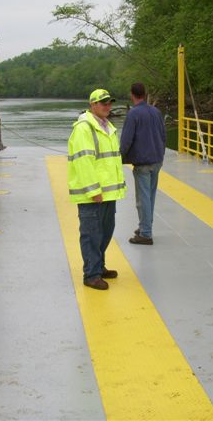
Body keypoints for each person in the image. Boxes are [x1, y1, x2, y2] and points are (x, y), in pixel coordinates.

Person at [67, 89, 127, 290]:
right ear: (92, 105)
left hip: (109, 193)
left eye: (109, 102)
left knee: (105, 232)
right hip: (93, 195)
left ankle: (99, 267)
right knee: (92, 234)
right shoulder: (84, 128)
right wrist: (94, 191)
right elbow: (85, 162)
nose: (107, 106)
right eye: (103, 103)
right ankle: (91, 275)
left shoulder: (107, 127)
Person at [120, 82, 166, 245]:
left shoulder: (133, 114)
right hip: (157, 160)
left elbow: (126, 139)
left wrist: (120, 157)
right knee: (150, 196)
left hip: (143, 163)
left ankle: (146, 233)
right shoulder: (156, 112)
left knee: (143, 198)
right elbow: (163, 135)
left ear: (132, 94)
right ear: (145, 94)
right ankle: (145, 226)